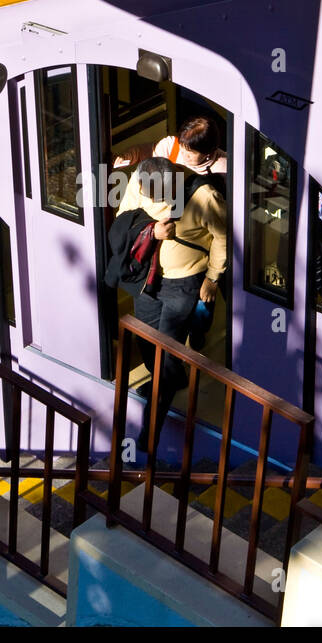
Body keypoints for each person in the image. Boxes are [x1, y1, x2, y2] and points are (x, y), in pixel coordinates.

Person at [115, 156, 228, 454]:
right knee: (148, 344)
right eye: (149, 196)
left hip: (185, 283)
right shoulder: (139, 182)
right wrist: (153, 231)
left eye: (161, 197)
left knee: (164, 357)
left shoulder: (205, 196)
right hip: (147, 281)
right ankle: (171, 379)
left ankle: (150, 431)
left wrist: (213, 278)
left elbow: (223, 236)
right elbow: (123, 219)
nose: (154, 202)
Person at [114, 114, 228, 177]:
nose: (183, 156)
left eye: (190, 154)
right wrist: (126, 157)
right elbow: (142, 152)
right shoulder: (172, 146)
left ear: (207, 153)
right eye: (182, 149)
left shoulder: (224, 169)